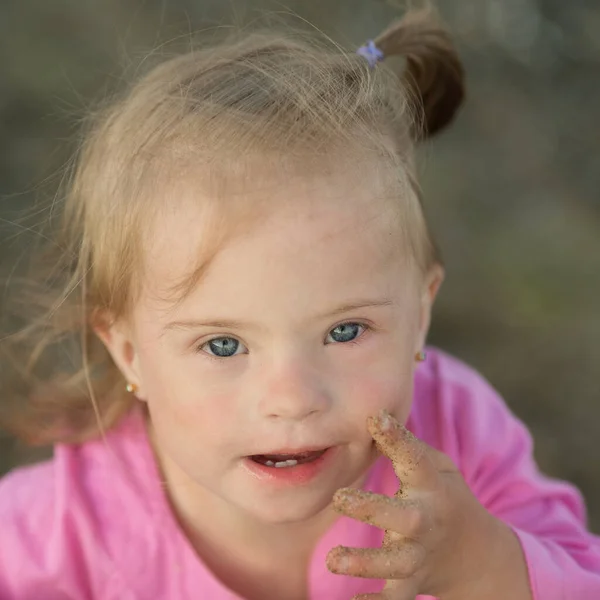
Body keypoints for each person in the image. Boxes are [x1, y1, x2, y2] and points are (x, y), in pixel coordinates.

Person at [0, 7, 598, 600]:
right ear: (131, 354)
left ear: (420, 315)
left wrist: (481, 563)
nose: (292, 399)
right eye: (223, 344)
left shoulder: (458, 436)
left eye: (345, 331)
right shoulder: (60, 529)